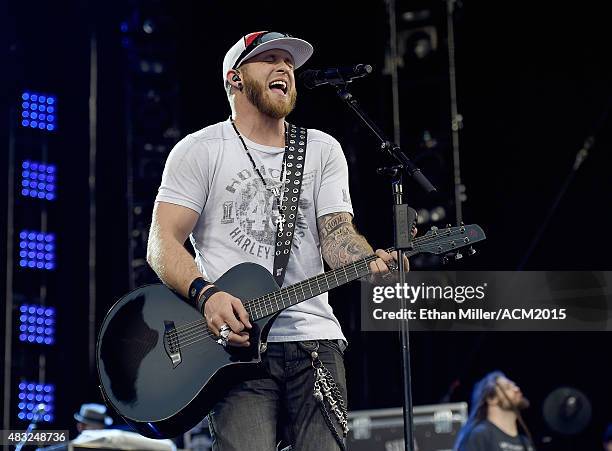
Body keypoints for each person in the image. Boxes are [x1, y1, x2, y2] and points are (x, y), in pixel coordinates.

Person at [146, 31, 409, 451]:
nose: (284, 67)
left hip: (314, 342)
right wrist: (206, 295)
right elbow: (161, 244)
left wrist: (368, 261)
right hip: (233, 352)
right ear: (235, 78)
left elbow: (337, 238)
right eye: (269, 59)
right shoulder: (199, 150)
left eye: (288, 62)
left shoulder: (322, 149)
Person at [454, 371, 535, 451]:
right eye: (508, 387)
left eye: (515, 386)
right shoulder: (479, 436)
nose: (517, 389)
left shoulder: (525, 443)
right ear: (491, 399)